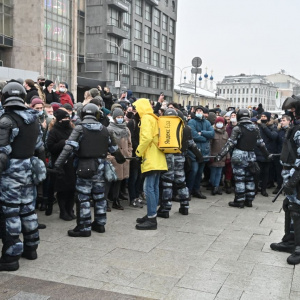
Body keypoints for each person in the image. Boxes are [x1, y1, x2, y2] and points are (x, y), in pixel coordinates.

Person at [54, 103, 126, 237]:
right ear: (97, 115)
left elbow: (68, 148)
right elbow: (114, 149)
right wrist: (121, 159)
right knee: (99, 197)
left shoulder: (80, 129)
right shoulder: (105, 130)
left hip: (83, 167)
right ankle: (100, 224)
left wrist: (57, 165)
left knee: (83, 197)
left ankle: (83, 227)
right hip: (100, 167)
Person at [0, 82, 46, 271]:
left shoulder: (6, 120)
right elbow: (40, 148)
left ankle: (11, 257)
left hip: (10, 174)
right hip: (29, 170)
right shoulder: (33, 119)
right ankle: (31, 248)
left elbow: (1, 154)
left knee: (10, 213)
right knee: (27, 210)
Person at [215, 108, 271, 208]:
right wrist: (267, 155)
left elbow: (230, 143)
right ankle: (249, 200)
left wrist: (220, 155)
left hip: (239, 156)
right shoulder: (255, 128)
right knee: (250, 179)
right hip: (251, 156)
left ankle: (239, 201)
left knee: (240, 179)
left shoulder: (238, 128)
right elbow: (261, 144)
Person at [157, 109, 203, 218]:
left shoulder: (163, 127)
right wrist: (199, 156)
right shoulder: (186, 128)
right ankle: (185, 206)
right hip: (180, 157)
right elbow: (192, 144)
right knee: (181, 182)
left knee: (167, 183)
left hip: (167, 156)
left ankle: (165, 208)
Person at [270, 98, 300, 265]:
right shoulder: (294, 128)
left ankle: (298, 247)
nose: (292, 113)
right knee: (289, 207)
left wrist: (292, 182)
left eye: (294, 111)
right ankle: (289, 241)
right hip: (289, 173)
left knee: (297, 210)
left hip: (297, 176)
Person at [133, 98, 168, 230]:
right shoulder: (154, 117)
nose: (135, 111)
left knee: (148, 188)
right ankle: (150, 215)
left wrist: (138, 152)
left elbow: (146, 138)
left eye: (136, 108)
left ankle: (152, 218)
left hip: (151, 158)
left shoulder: (147, 118)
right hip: (158, 157)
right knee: (154, 187)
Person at [47, 108, 76, 221]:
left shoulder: (72, 129)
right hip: (60, 164)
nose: (66, 120)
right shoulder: (53, 131)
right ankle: (63, 211)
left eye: (68, 118)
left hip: (71, 163)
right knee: (62, 189)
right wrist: (63, 143)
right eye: (64, 118)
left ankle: (70, 210)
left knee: (72, 189)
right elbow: (51, 147)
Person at [106, 108, 132, 210]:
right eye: (118, 117)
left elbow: (130, 144)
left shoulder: (126, 129)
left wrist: (129, 153)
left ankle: (116, 200)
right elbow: (106, 145)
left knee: (119, 181)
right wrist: (110, 157)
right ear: (114, 118)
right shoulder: (109, 129)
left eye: (121, 117)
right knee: (109, 181)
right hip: (113, 159)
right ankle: (106, 201)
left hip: (124, 158)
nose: (120, 119)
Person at [186, 106, 214, 199]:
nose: (199, 112)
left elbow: (212, 134)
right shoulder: (192, 122)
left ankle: (196, 190)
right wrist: (205, 138)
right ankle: (189, 191)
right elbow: (193, 135)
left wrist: (201, 133)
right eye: (197, 110)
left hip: (204, 152)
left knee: (199, 173)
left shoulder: (207, 122)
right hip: (194, 152)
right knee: (194, 171)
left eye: (200, 111)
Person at [255, 112, 278, 197]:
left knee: (265, 173)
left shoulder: (272, 127)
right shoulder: (258, 127)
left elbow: (273, 136)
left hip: (267, 153)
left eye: (265, 116)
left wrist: (264, 127)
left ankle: (263, 189)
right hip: (258, 152)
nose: (263, 118)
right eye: (262, 116)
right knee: (257, 172)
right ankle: (256, 188)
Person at [209, 117, 229, 195]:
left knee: (219, 173)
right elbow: (210, 145)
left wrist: (227, 157)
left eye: (221, 123)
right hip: (214, 156)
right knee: (213, 172)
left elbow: (227, 146)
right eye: (218, 123)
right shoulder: (212, 132)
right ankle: (213, 186)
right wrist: (209, 156)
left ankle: (216, 187)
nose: (219, 124)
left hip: (222, 156)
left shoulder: (225, 133)